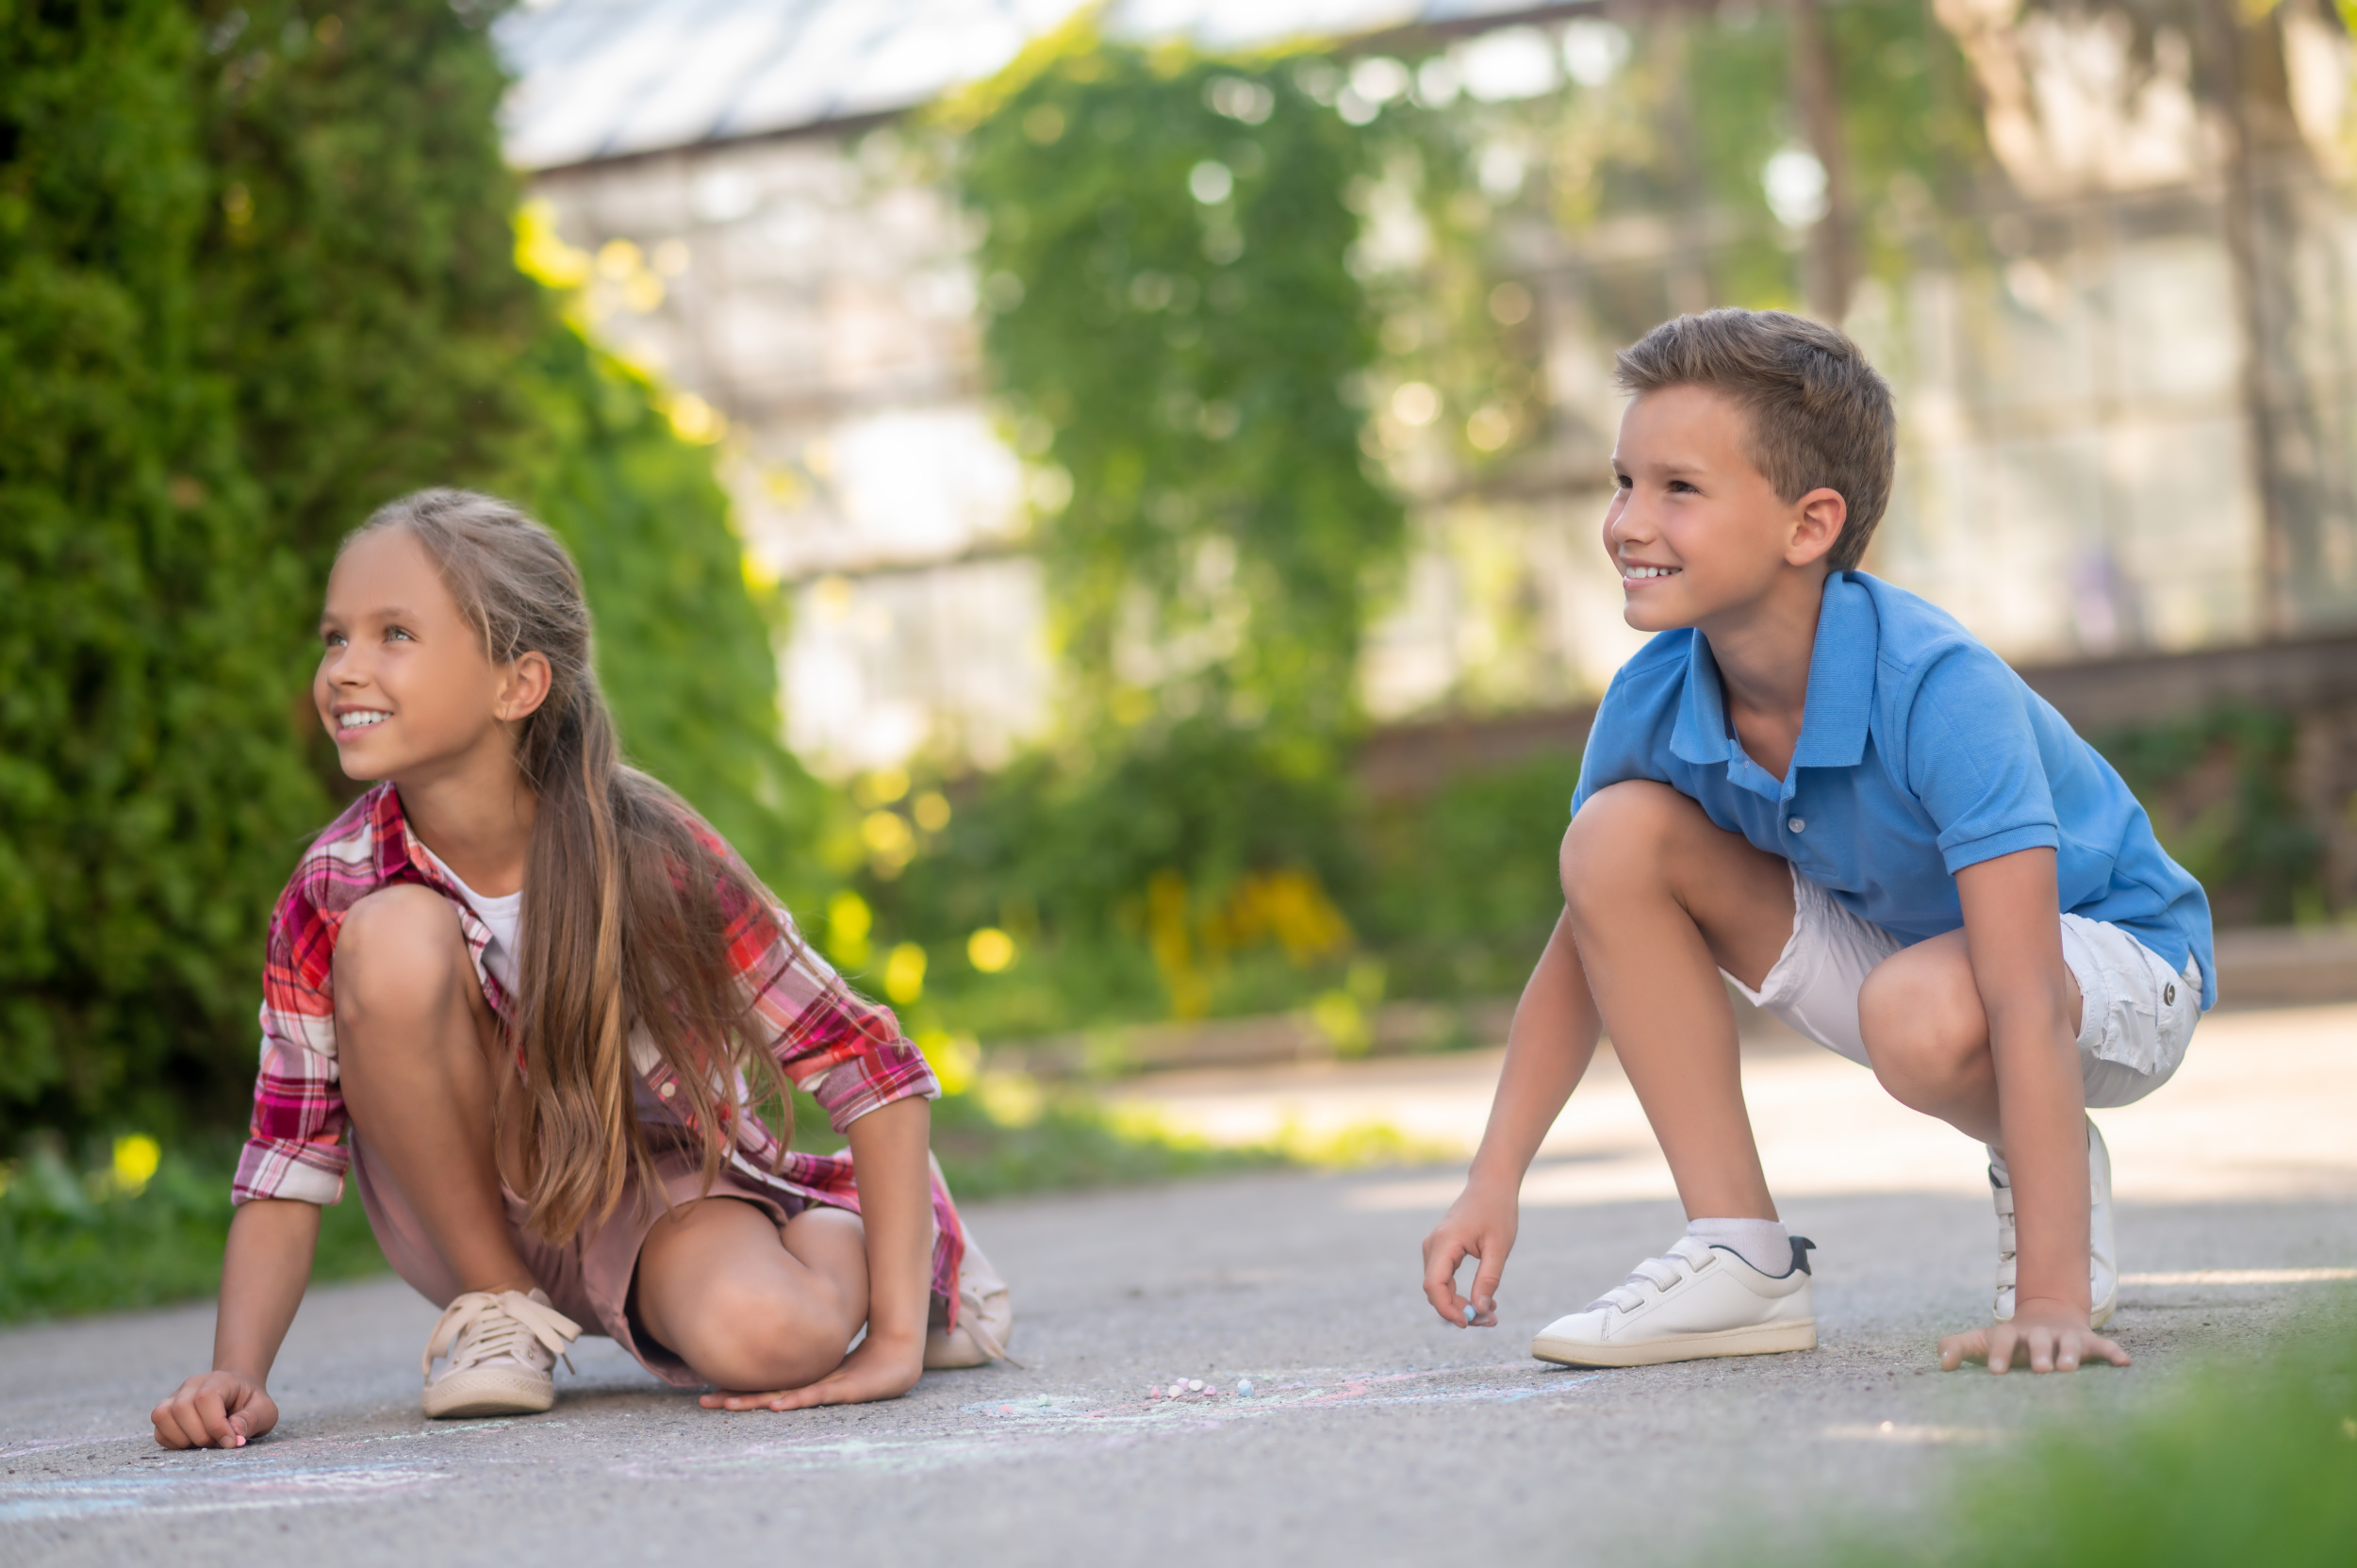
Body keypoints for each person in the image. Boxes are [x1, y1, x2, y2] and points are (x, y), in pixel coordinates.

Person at [1420, 310, 2211, 1377]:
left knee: (1923, 1010)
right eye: (1623, 481)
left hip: (2114, 964)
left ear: (1808, 525)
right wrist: (1493, 1174)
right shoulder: (1653, 697)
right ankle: (1739, 1253)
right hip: (1916, 964)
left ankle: (2050, 1152)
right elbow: (1585, 943)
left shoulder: (1935, 685)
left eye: (1678, 489)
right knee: (1612, 841)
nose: (1625, 522)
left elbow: (2020, 990)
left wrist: (2052, 1298)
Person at [152, 489, 1013, 1450]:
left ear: (518, 684)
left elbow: (870, 1065)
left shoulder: (647, 855)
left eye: (394, 633)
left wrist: (894, 1335)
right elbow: (288, 1157)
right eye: (334, 637)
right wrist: (237, 1373)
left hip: (656, 1195)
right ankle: (498, 1309)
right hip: (474, 1209)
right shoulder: (331, 888)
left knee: (770, 1336)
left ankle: (878, 1238)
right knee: (391, 933)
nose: (344, 669)